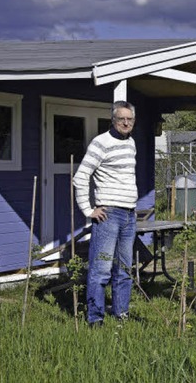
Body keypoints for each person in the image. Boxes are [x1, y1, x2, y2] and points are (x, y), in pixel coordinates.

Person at [73, 101, 138, 327]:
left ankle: (121, 315)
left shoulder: (131, 143)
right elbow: (80, 177)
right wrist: (89, 210)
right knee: (101, 270)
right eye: (121, 119)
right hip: (108, 214)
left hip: (130, 215)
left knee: (124, 270)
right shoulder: (100, 143)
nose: (126, 123)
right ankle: (95, 319)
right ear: (113, 120)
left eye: (130, 119)